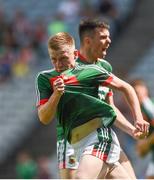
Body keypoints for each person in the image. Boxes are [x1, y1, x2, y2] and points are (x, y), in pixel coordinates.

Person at [36, 32, 149, 179]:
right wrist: (56, 95)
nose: (59, 64)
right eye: (54, 60)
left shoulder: (91, 71)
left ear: (75, 54)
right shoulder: (45, 78)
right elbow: (44, 118)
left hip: (98, 139)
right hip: (74, 145)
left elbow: (126, 88)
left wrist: (138, 118)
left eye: (63, 58)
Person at [131, 79, 154, 179]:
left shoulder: (147, 104)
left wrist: (147, 143)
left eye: (137, 92)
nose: (137, 95)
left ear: (145, 91)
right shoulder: (140, 111)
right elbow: (140, 151)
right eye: (134, 93)